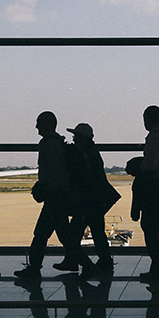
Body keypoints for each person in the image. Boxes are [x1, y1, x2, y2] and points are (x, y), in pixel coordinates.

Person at [14, 111, 86, 282]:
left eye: (39, 123)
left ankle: (87, 265)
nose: (36, 126)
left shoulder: (50, 145)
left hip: (55, 196)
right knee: (43, 234)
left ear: (47, 124)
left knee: (57, 236)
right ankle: (34, 267)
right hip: (55, 195)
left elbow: (54, 172)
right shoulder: (55, 143)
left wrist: (44, 187)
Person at [66, 122, 117, 274]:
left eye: (76, 136)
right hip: (95, 198)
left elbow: (85, 178)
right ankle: (103, 261)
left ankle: (76, 261)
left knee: (76, 231)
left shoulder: (86, 154)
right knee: (96, 231)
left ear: (83, 138)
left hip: (90, 199)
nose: (74, 139)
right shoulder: (91, 152)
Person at [136, 105, 159, 283]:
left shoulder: (154, 138)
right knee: (156, 228)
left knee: (151, 228)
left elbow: (149, 167)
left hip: (154, 187)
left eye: (145, 117)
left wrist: (138, 169)